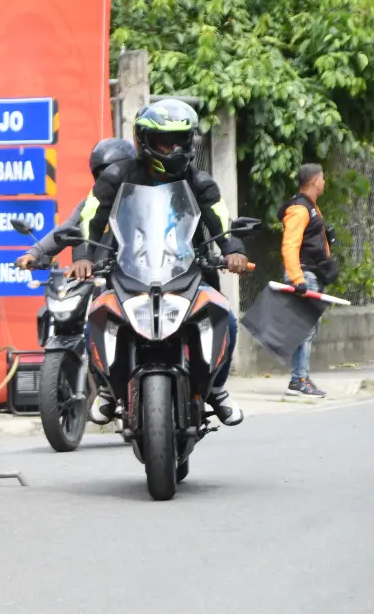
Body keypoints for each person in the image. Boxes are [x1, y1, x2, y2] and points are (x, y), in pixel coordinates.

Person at [71, 98, 250, 426]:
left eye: (179, 142)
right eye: (163, 142)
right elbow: (91, 214)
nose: (172, 149)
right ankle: (110, 390)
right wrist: (82, 255)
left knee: (226, 317)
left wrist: (233, 249)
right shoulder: (116, 176)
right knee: (97, 317)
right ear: (143, 140)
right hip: (130, 271)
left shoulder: (201, 182)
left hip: (189, 271)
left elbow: (220, 219)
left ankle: (217, 389)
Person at [14, 138, 136, 271]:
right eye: (104, 176)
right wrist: (35, 252)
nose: (111, 180)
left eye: (116, 174)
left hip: (144, 275)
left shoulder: (147, 201)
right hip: (103, 274)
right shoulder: (93, 202)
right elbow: (69, 227)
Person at [280, 163, 334, 398]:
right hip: (304, 275)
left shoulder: (310, 208)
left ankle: (301, 376)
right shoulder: (300, 209)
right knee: (304, 329)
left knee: (308, 329)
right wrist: (297, 279)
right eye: (322, 178)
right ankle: (299, 379)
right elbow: (290, 245)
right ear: (314, 181)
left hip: (310, 274)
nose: (324, 182)